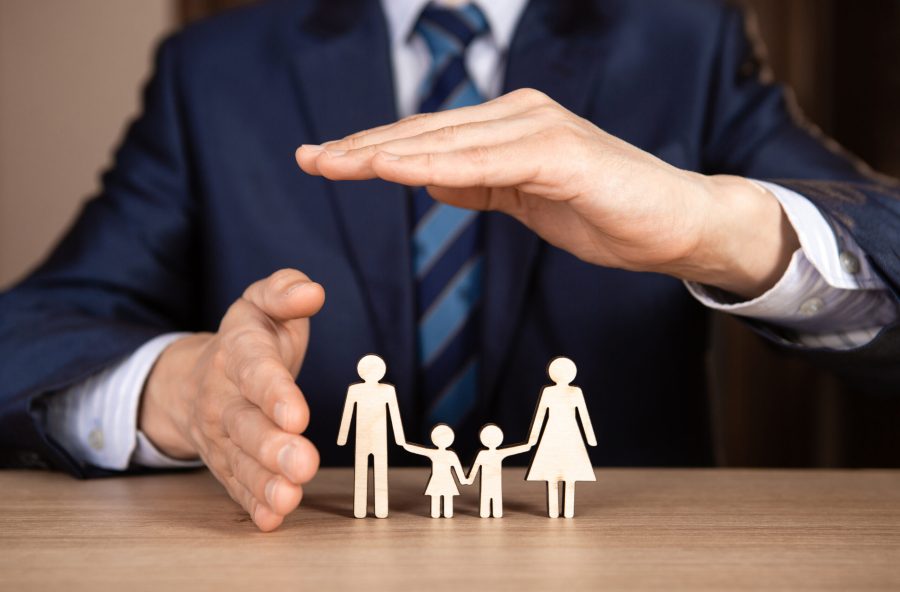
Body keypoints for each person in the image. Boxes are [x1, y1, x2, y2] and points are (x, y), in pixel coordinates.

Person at [0, 0, 897, 532]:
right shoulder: (217, 70)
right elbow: (27, 335)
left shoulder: (685, 40)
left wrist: (720, 225)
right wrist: (180, 392)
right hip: (307, 564)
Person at [524, 358, 598, 519]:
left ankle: (567, 510)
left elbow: (583, 416)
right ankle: (553, 511)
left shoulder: (575, 392)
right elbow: (540, 415)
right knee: (553, 473)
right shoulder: (548, 392)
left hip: (569, 435)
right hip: (554, 434)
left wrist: (590, 437)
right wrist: (533, 438)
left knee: (569, 473)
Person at [337, 354, 406, 518]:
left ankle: (381, 509)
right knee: (361, 474)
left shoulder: (387, 390)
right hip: (362, 437)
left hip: (379, 437)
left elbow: (394, 414)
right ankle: (360, 509)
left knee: (380, 473)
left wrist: (399, 437)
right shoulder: (355, 390)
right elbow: (348, 414)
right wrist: (343, 436)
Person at [466, 424, 532, 518]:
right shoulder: (483, 454)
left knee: (494, 502)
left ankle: (492, 512)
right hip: (487, 484)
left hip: (494, 484)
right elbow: (475, 467)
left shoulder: (491, 453)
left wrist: (468, 479)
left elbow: (474, 469)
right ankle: (488, 512)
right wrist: (468, 479)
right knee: (487, 502)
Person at [403, 424, 467, 518]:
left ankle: (443, 513)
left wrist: (404, 444)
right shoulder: (443, 453)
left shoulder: (449, 454)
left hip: (444, 481)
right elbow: (417, 449)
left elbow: (458, 471)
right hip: (441, 481)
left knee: (444, 500)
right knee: (438, 500)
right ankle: (439, 513)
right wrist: (465, 480)